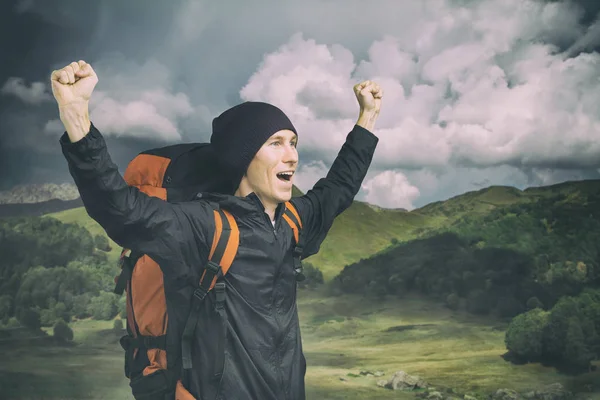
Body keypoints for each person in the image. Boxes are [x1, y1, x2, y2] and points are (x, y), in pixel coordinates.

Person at [51, 60, 383, 400]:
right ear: (244, 158)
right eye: (276, 143)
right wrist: (76, 115)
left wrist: (367, 118)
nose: (292, 156)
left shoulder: (293, 223)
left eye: (293, 142)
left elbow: (339, 188)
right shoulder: (203, 226)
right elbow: (121, 209)